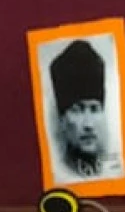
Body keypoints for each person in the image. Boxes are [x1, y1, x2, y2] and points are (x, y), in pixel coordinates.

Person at [47, 35, 111, 178]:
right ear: (62, 118)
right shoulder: (59, 173)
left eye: (94, 109)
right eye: (77, 110)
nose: (88, 125)